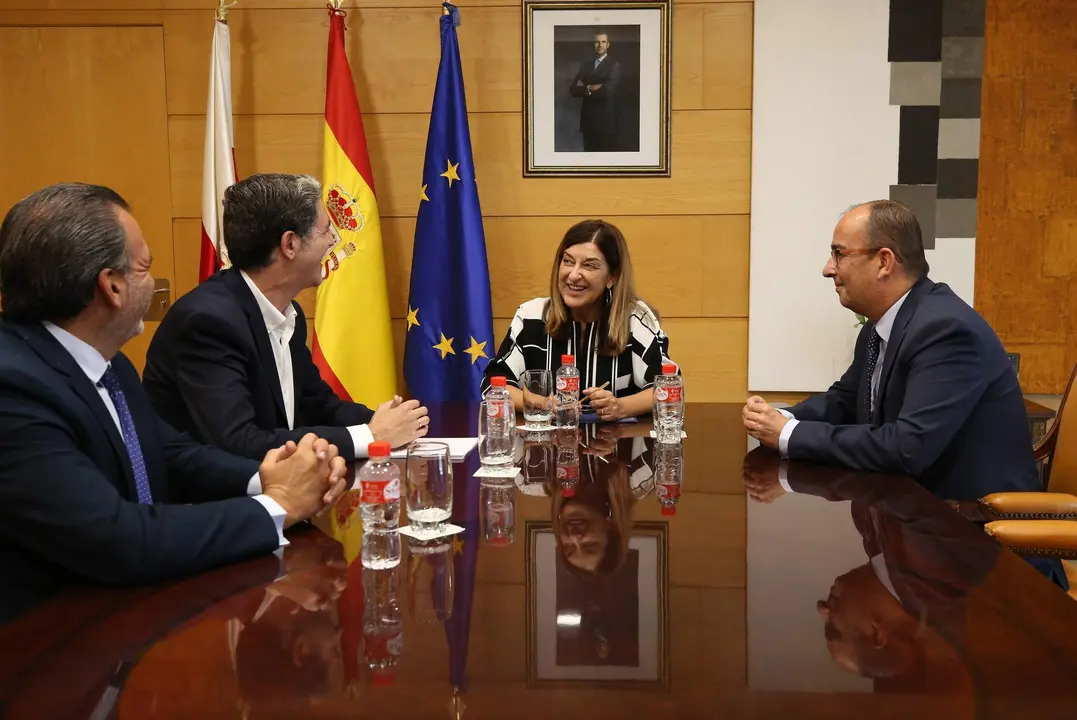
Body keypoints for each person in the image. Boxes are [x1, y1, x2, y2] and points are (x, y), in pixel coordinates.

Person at [0, 183, 348, 624]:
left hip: (127, 617)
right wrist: (280, 505)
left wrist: (265, 476)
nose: (155, 282)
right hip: (46, 648)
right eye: (145, 268)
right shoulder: (13, 389)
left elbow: (169, 454)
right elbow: (119, 539)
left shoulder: (109, 366)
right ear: (112, 287)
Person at [742, 200, 1040, 501]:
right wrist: (778, 418)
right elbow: (845, 401)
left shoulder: (946, 330)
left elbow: (907, 448)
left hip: (973, 526)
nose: (828, 269)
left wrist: (787, 435)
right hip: (910, 511)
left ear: (884, 262)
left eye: (839, 254)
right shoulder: (883, 323)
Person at [143, 173, 429, 462]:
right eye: (325, 231)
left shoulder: (286, 313)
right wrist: (372, 436)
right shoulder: (207, 323)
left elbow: (317, 404)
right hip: (207, 501)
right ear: (290, 244)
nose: (333, 240)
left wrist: (391, 422)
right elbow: (238, 443)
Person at [481, 219, 675, 422]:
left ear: (612, 277)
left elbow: (668, 388)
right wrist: (543, 403)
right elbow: (493, 386)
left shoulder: (635, 319)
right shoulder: (531, 316)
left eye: (589, 265)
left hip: (618, 449)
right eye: (568, 261)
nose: (573, 275)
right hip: (546, 448)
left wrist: (620, 407)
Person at [568, 29, 622, 152]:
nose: (600, 45)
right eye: (597, 42)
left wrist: (585, 87)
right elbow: (574, 89)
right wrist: (591, 87)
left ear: (608, 44)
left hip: (606, 124)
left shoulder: (614, 65)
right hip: (588, 123)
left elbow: (607, 91)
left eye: (603, 42)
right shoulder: (586, 66)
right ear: (593, 44)